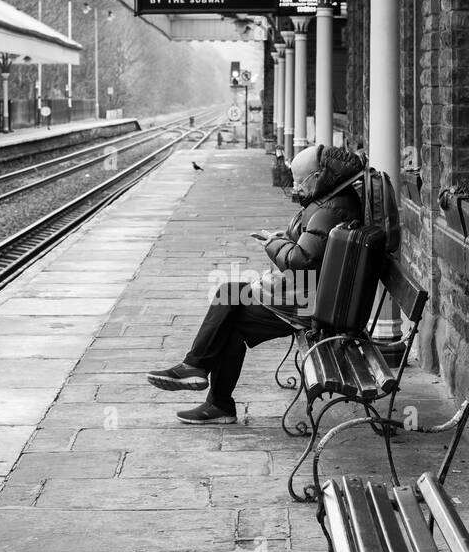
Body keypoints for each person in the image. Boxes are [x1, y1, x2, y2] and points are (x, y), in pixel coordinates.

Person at [147, 144, 364, 424]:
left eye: (300, 178)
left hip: (316, 309)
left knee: (230, 309)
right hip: (316, 295)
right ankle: (202, 379)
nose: (296, 185)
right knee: (230, 296)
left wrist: (275, 243)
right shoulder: (334, 200)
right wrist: (281, 239)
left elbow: (301, 260)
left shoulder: (331, 208)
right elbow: (310, 250)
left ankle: (205, 382)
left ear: (320, 175)